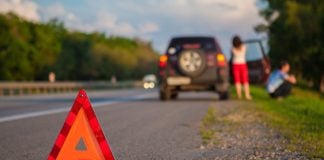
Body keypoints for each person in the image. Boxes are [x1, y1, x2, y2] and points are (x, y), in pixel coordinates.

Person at [231, 35, 252, 100]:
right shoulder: (244, 47)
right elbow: (246, 54)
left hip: (235, 65)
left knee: (237, 81)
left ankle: (239, 95)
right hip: (243, 64)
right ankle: (247, 95)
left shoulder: (232, 49)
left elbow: (232, 56)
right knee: (245, 81)